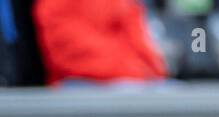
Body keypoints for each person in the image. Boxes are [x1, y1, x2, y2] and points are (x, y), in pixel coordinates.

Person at [32, 0, 165, 84]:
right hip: (82, 82)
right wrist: (133, 70)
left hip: (131, 79)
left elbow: (139, 40)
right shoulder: (56, 5)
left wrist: (149, 70)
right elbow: (71, 53)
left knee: (177, 98)